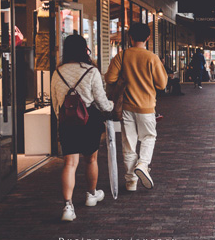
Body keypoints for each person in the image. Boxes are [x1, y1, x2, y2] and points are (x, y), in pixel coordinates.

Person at [50, 34, 113, 222]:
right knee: (91, 160)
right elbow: (101, 100)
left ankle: (68, 207)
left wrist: (61, 119)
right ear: (84, 48)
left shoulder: (57, 72)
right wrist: (110, 107)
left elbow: (54, 102)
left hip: (67, 121)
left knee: (69, 163)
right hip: (89, 120)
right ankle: (91, 195)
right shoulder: (91, 71)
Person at [106, 23, 168, 192]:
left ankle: (131, 181)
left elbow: (110, 78)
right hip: (147, 107)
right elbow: (162, 84)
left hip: (126, 107)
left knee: (129, 144)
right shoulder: (151, 57)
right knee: (149, 137)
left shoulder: (122, 56)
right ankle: (143, 164)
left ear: (130, 37)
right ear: (148, 38)